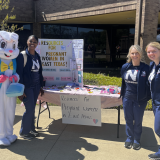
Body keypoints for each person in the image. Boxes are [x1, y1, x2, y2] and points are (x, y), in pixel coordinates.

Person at [120, 45, 150, 150]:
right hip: (127, 98)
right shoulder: (125, 67)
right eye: (132, 53)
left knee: (137, 120)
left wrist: (148, 97)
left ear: (140, 54)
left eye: (137, 53)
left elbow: (150, 84)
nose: (135, 55)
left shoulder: (146, 68)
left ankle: (137, 139)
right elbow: (123, 82)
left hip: (140, 100)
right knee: (128, 119)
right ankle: (129, 138)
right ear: (129, 54)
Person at [16, 35, 44, 140]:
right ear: (27, 42)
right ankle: (23, 132)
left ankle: (31, 129)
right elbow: (19, 73)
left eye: (35, 41)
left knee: (32, 108)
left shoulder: (37, 56)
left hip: (36, 86)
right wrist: (21, 90)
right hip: (27, 87)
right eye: (30, 41)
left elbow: (39, 72)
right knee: (29, 109)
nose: (32, 43)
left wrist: (40, 86)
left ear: (37, 44)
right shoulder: (22, 56)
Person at [146, 42, 160, 159]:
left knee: (158, 128)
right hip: (155, 103)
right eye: (149, 52)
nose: (151, 53)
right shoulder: (152, 66)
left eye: (154, 51)